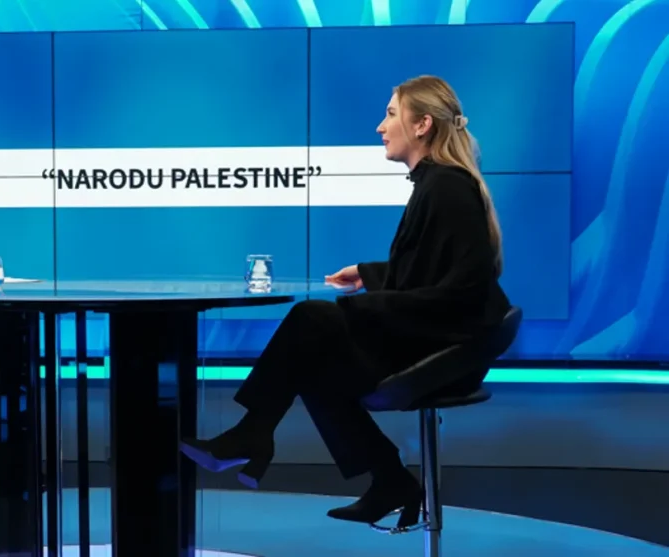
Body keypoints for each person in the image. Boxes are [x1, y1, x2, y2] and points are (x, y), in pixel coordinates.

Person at [180, 75, 512, 527]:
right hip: (439, 338)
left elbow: (461, 293)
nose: (380, 126)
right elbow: (432, 271)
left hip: (446, 351)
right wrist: (370, 274)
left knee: (311, 321)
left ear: (422, 126)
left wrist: (363, 307)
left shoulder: (446, 188)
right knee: (311, 352)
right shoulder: (438, 183)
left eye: (391, 114)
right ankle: (384, 477)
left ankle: (253, 435)